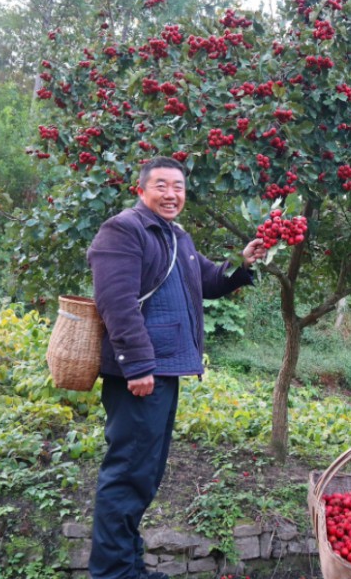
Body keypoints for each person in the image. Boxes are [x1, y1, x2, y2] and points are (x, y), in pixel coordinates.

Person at [86, 156, 266, 579]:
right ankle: (112, 573)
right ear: (141, 189)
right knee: (128, 473)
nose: (171, 194)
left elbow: (208, 281)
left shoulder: (176, 237)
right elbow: (116, 302)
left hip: (163, 371)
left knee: (143, 474)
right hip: (141, 374)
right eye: (162, 185)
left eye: (179, 187)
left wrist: (243, 265)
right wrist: (137, 365)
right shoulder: (124, 230)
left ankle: (128, 567)